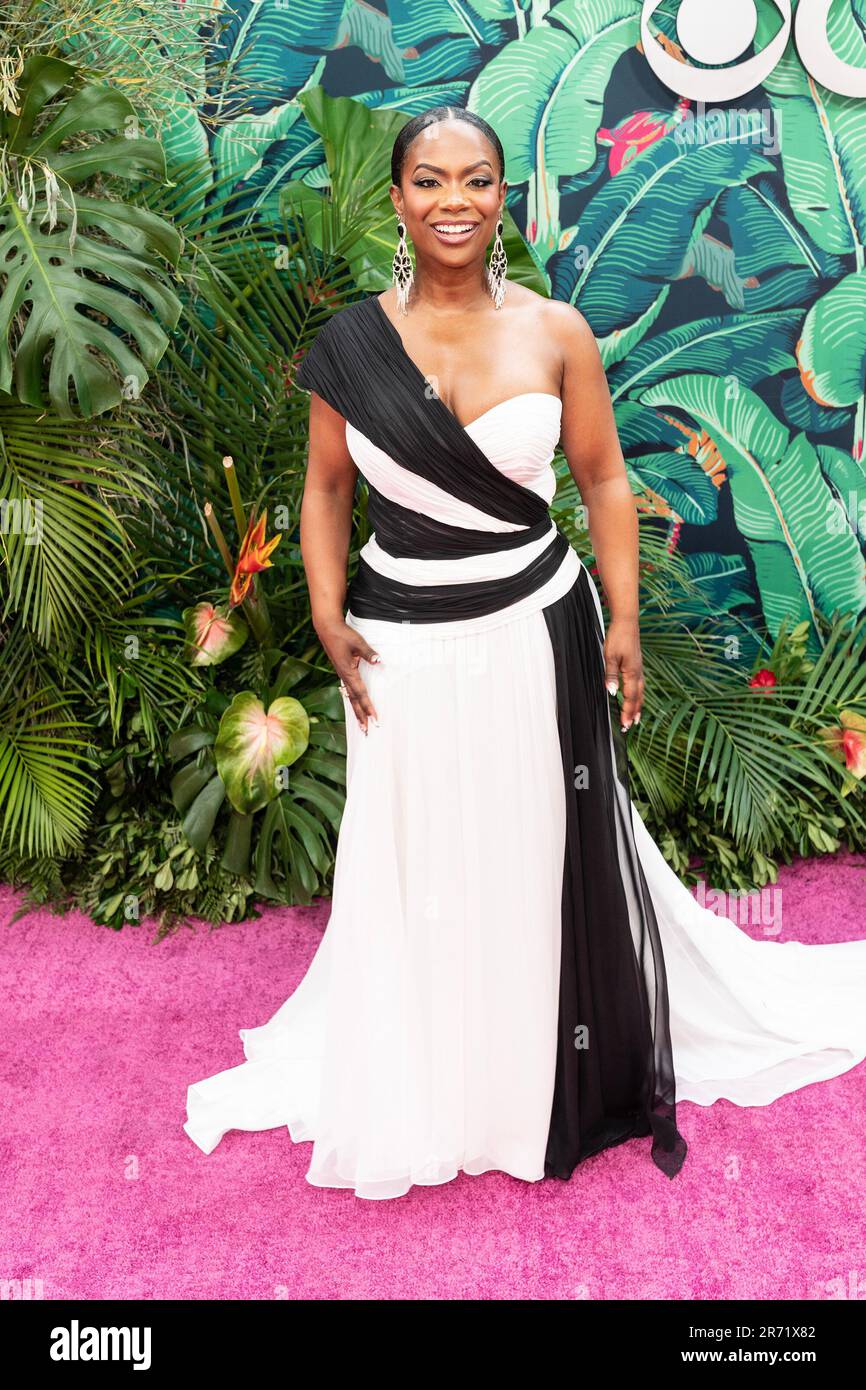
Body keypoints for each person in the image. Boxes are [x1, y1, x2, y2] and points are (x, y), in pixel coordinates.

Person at [183, 107, 866, 1200]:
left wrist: (624, 616)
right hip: (397, 644)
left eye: (476, 179)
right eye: (428, 180)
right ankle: (436, 1069)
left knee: (532, 843)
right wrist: (319, 607)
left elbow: (600, 478)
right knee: (422, 853)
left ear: (503, 196)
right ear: (397, 198)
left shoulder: (554, 332)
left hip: (531, 630)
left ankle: (538, 1070)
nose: (452, 199)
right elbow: (322, 485)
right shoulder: (350, 346)